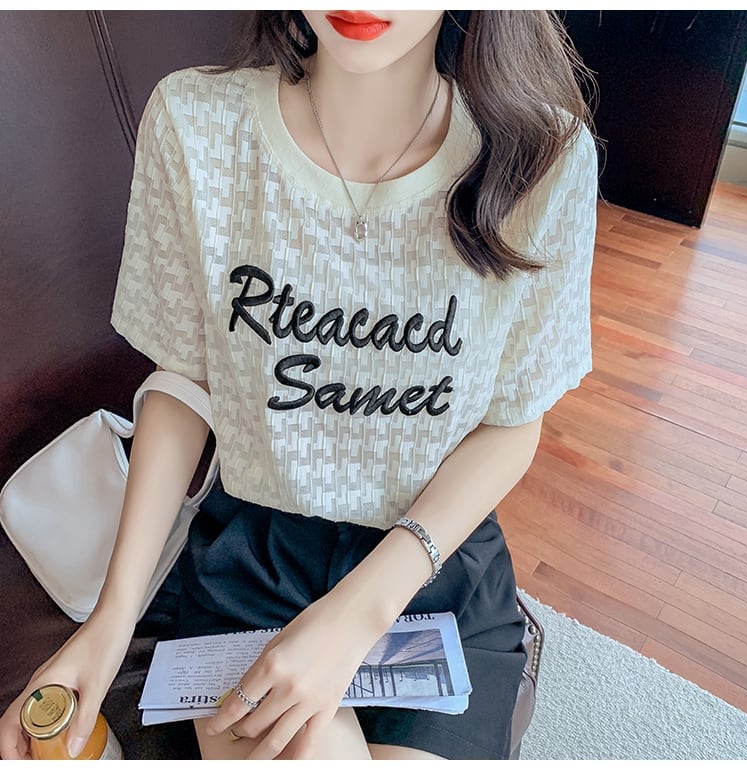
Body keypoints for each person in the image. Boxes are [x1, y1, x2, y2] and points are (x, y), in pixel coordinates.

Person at [0, 10, 597, 761]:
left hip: (430, 564)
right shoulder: (196, 125)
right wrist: (110, 622)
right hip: (256, 562)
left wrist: (358, 614)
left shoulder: (544, 158)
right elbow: (184, 380)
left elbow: (512, 420)